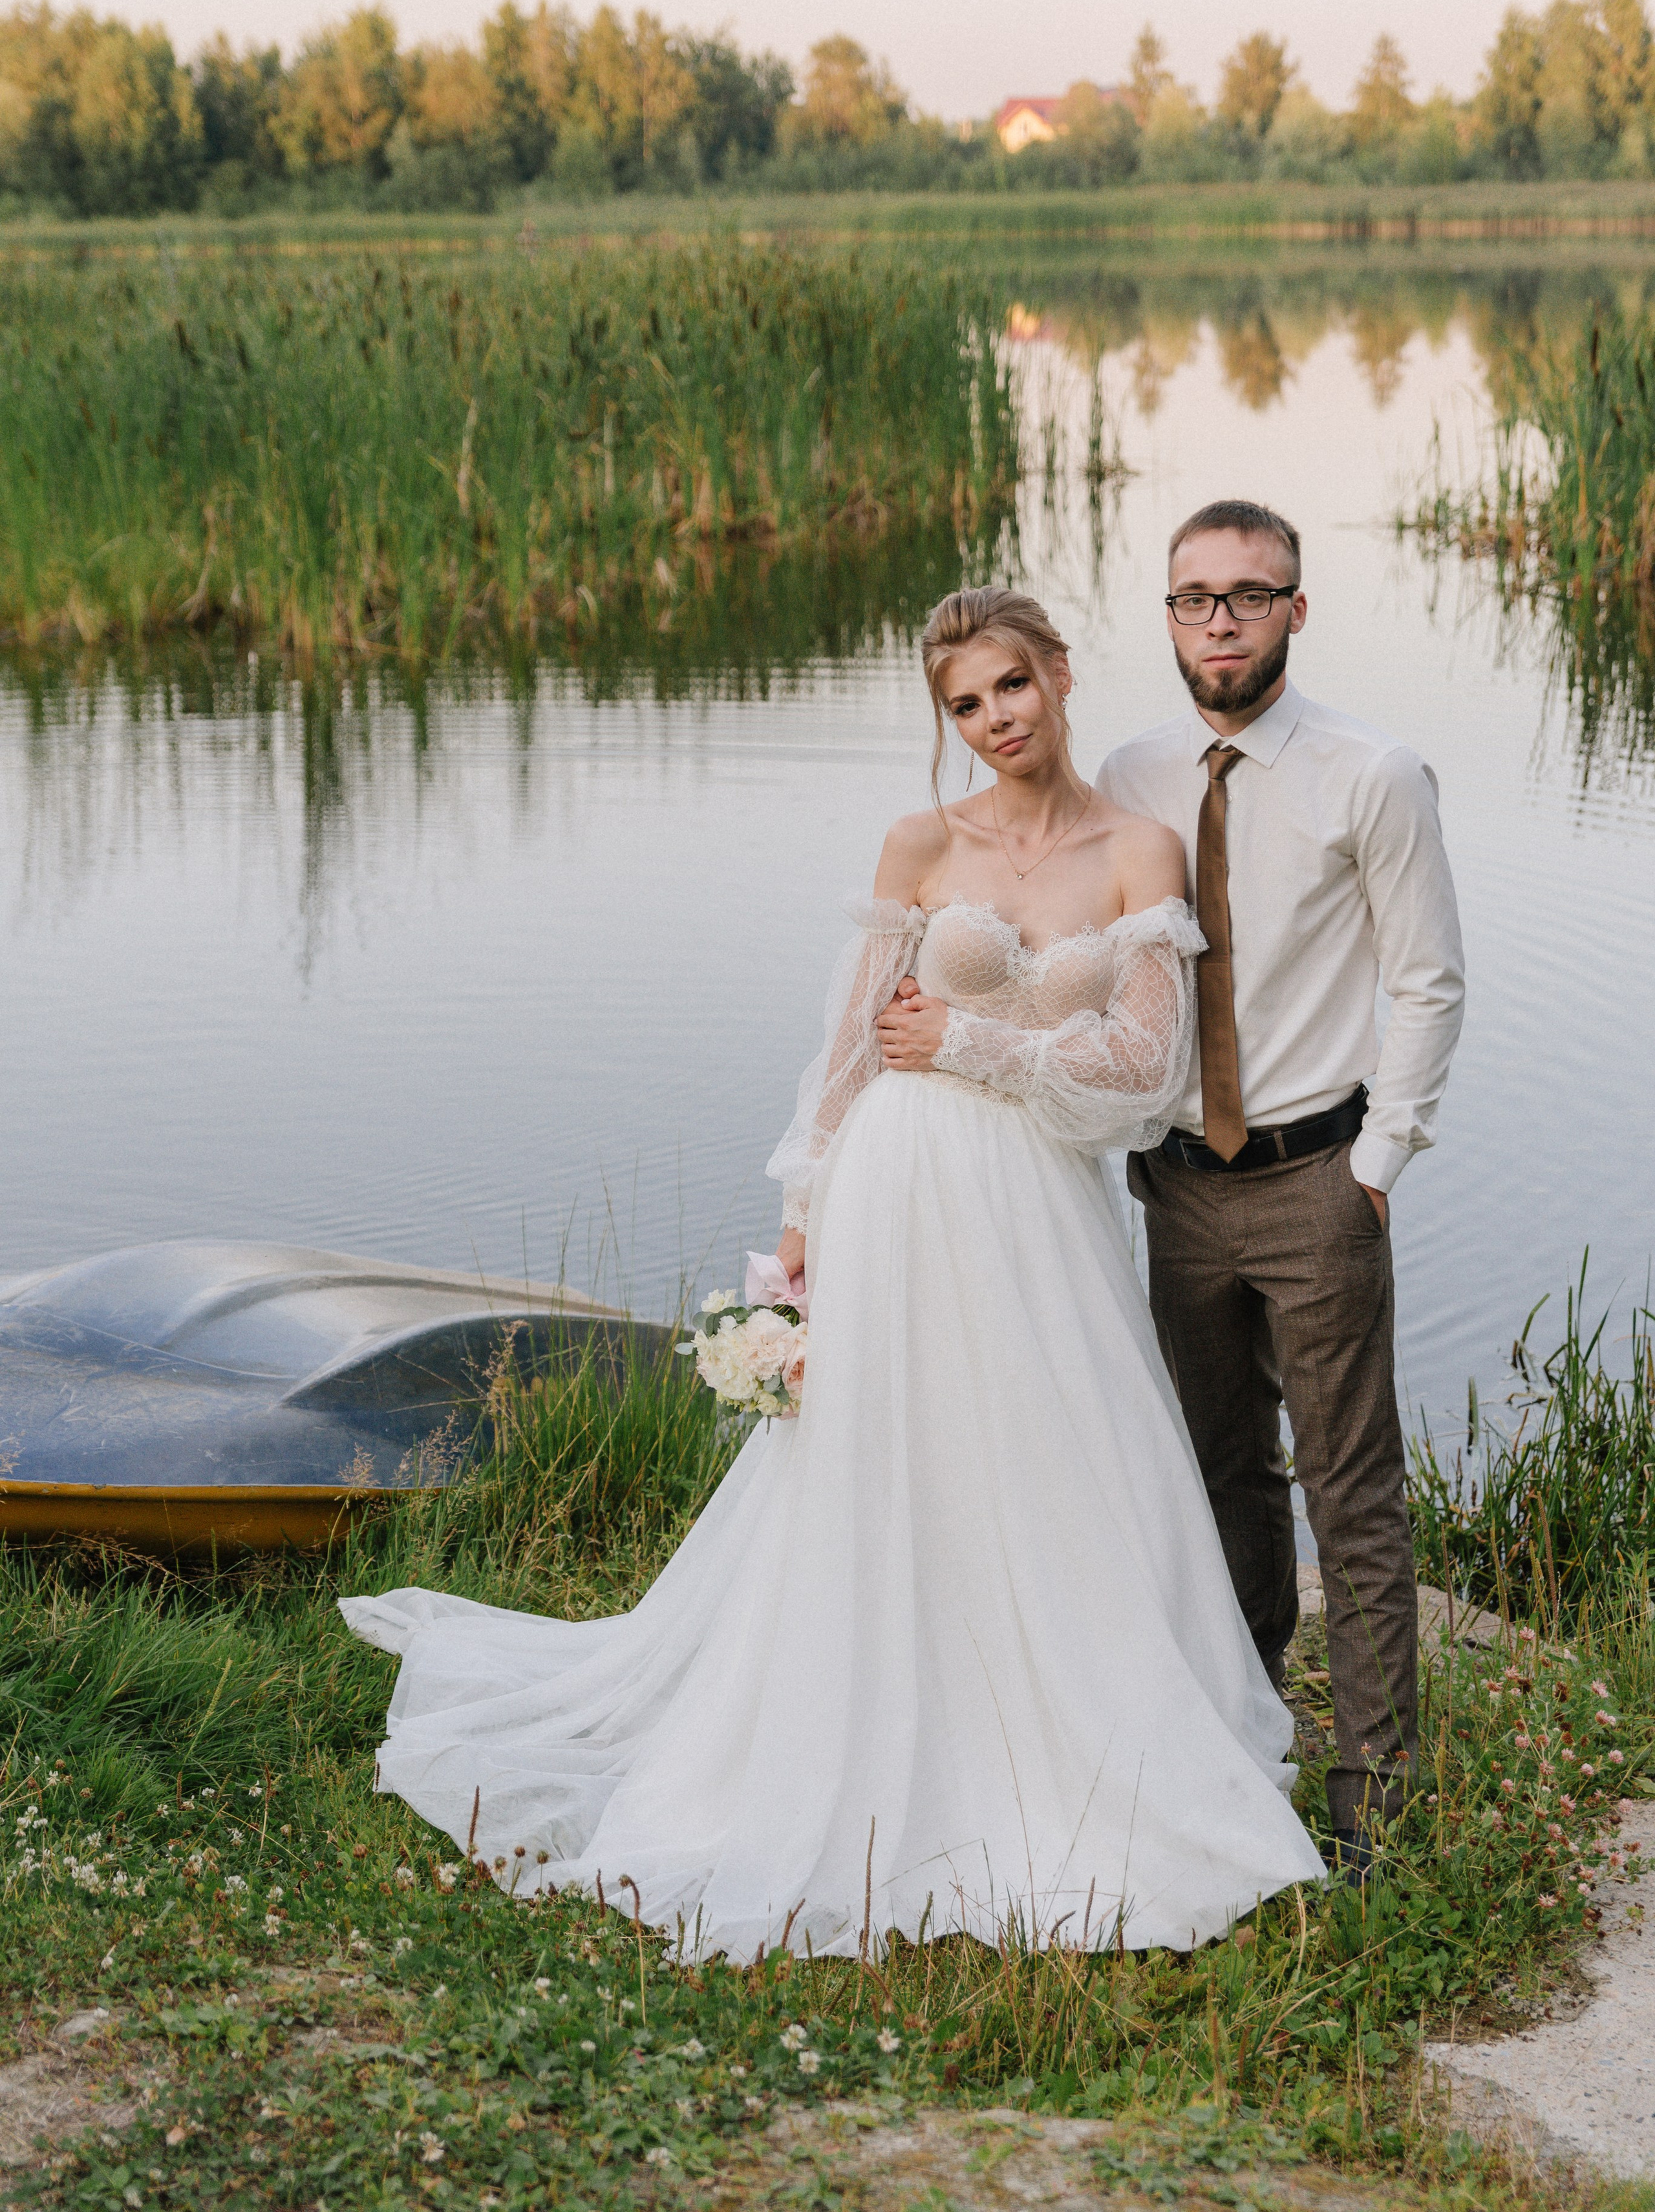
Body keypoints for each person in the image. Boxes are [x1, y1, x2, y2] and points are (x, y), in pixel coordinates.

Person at [339, 586, 1325, 1957]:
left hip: (1040, 1197)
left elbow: (1145, 1072)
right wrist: (805, 1210)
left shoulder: (1137, 849)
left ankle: (1073, 1723)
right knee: (887, 1453)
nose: (991, 722)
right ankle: (863, 1718)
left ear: (1055, 672)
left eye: (1008, 687)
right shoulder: (921, 842)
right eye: (963, 704)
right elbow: (856, 1047)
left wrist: (984, 1048)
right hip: (904, 1184)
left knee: (1052, 1448)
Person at [1096, 500, 1465, 1873]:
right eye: (1194, 598)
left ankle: (1372, 1796)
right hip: (1172, 1184)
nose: (1220, 621)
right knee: (1215, 1475)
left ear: (1295, 611)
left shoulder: (1373, 774)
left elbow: (1426, 977)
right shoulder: (1127, 774)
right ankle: (1245, 1740)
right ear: (1170, 616)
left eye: (1250, 596)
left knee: (1349, 1491)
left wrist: (1377, 1164)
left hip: (1316, 1177)